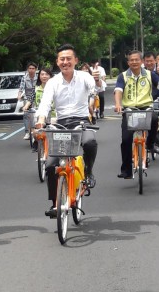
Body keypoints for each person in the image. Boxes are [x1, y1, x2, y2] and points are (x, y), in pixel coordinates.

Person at [36, 44, 100, 217]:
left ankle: (88, 171)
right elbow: (45, 104)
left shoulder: (84, 77)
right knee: (50, 165)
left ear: (75, 61)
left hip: (81, 121)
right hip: (61, 125)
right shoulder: (52, 82)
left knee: (90, 142)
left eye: (69, 59)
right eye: (62, 59)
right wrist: (41, 121)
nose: (66, 62)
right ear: (57, 62)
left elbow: (95, 89)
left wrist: (97, 82)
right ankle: (55, 203)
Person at [114, 51, 159, 179]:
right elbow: (118, 91)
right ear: (128, 62)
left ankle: (150, 144)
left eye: (137, 60)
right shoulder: (123, 76)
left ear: (141, 61)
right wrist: (118, 104)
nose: (134, 62)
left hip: (146, 108)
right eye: (131, 60)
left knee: (154, 118)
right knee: (126, 140)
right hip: (130, 110)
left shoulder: (150, 74)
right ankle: (126, 170)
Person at [24, 67, 53, 151]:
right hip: (39, 112)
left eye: (46, 74)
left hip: (54, 113)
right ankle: (36, 141)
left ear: (50, 76)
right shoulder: (36, 88)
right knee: (35, 126)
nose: (44, 76)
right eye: (42, 74)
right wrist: (26, 106)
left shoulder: (55, 87)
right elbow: (31, 98)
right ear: (39, 76)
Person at [18, 62, 38, 140]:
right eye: (30, 68)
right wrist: (19, 95)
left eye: (33, 68)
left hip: (36, 97)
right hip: (27, 97)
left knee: (35, 114)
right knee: (26, 114)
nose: (31, 70)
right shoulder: (24, 77)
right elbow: (21, 88)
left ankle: (36, 130)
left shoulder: (38, 77)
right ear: (27, 69)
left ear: (35, 69)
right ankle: (27, 132)